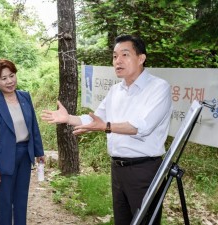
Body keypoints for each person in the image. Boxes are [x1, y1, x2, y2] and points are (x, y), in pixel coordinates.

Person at [41, 34, 172, 225]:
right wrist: (68, 118)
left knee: (145, 221)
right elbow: (97, 118)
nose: (118, 61)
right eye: (114, 56)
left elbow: (141, 127)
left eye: (125, 55)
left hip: (144, 170)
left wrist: (105, 127)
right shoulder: (115, 91)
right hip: (117, 169)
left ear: (141, 58)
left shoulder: (158, 88)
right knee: (122, 221)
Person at [0, 59, 45, 225]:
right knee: (5, 202)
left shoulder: (25, 96)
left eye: (11, 75)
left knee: (21, 200)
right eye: (3, 78)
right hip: (5, 157)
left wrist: (39, 152)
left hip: (25, 154)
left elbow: (33, 125)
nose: (9, 81)